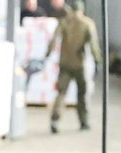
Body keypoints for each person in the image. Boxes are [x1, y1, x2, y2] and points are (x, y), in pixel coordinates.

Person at [44, 0, 102, 134]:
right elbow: (93, 45)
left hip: (65, 63)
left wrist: (47, 54)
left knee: (61, 92)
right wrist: (97, 61)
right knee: (82, 93)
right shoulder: (88, 23)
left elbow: (54, 39)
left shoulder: (64, 22)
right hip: (79, 64)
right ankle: (84, 121)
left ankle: (55, 120)